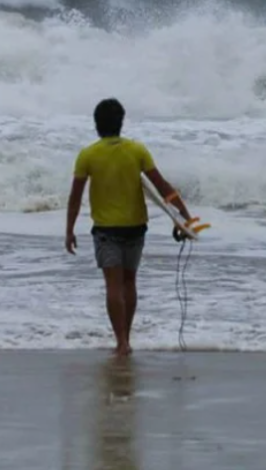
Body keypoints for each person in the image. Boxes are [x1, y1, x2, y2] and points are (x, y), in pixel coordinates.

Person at [65, 97, 193, 357]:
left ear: (96, 124)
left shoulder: (87, 155)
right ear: (121, 122)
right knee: (129, 282)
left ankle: (121, 341)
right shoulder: (137, 151)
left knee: (113, 285)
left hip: (105, 230)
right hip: (136, 227)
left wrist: (69, 229)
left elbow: (76, 197)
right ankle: (128, 335)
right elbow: (161, 186)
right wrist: (184, 213)